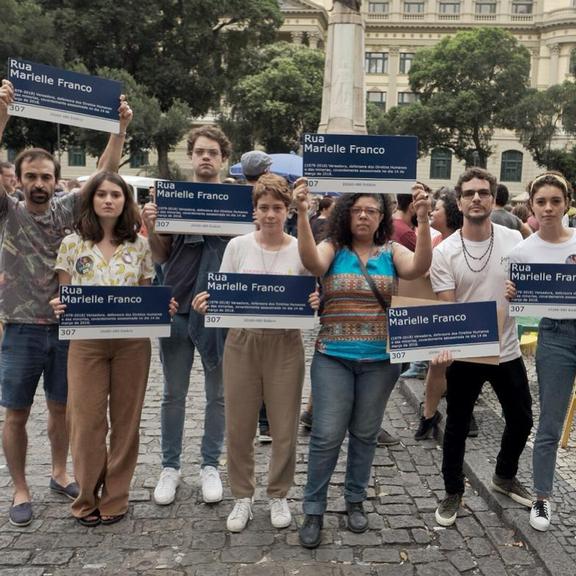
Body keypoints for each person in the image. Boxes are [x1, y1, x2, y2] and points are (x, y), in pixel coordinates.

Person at [0, 78, 132, 527]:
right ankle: (20, 488)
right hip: (20, 324)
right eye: (31, 176)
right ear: (18, 179)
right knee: (16, 412)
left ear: (56, 180)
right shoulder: (9, 210)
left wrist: (119, 129)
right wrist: (2, 115)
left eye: (46, 177)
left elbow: (104, 175)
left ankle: (59, 473)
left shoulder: (65, 209)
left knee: (63, 410)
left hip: (68, 327)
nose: (39, 184)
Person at [294, 182, 432, 549]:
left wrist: (421, 219)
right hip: (333, 358)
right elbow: (311, 262)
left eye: (372, 210)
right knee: (325, 436)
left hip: (379, 361)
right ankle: (313, 508)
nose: (364, 216)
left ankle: (355, 500)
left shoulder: (392, 251)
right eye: (357, 210)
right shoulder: (333, 248)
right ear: (345, 214)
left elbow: (419, 268)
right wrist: (303, 216)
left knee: (365, 435)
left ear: (382, 217)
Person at [193, 173, 317, 532]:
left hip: (285, 343)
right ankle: (242, 496)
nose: (270, 214)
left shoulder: (299, 247)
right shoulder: (238, 246)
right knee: (240, 423)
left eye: (277, 207)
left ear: (288, 211)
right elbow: (224, 295)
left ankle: (278, 493)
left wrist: (313, 300)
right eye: (263, 207)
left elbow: (311, 291)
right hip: (243, 341)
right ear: (254, 210)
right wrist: (207, 304)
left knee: (284, 425)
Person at [51, 171, 176, 526]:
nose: (109, 200)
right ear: (91, 199)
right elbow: (65, 293)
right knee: (87, 421)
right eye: (102, 194)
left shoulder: (138, 245)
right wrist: (59, 306)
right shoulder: (72, 243)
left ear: (126, 202)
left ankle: (116, 496)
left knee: (126, 421)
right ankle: (86, 495)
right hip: (85, 343)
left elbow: (146, 291)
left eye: (116, 195)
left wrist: (159, 307)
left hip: (131, 344)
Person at [431, 167, 533, 527]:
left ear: (493, 198)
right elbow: (447, 306)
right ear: (459, 201)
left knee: (522, 419)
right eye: (470, 193)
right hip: (467, 353)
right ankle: (453, 490)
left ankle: (504, 476)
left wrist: (524, 292)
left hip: (508, 352)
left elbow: (534, 276)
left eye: (483, 192)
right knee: (457, 425)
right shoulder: (444, 251)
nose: (477, 198)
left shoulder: (514, 240)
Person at [142, 126, 231, 507]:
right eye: (199, 152)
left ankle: (210, 464)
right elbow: (161, 256)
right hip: (176, 307)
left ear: (223, 158)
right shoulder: (171, 198)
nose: (206, 157)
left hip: (218, 308)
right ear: (191, 157)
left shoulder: (236, 200)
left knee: (219, 396)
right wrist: (152, 224)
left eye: (213, 152)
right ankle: (170, 467)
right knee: (173, 394)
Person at [506, 172, 575, 532]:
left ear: (566, 203)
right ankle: (542, 497)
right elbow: (522, 304)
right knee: (550, 420)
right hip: (556, 335)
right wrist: (513, 294)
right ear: (532, 205)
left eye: (555, 201)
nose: (548, 208)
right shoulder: (522, 251)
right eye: (541, 202)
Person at [415, 188, 470, 440]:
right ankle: (428, 414)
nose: (434, 211)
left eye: (437, 208)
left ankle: (466, 413)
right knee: (436, 365)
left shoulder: (466, 242)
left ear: (449, 212)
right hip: (437, 315)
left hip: (464, 316)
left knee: (463, 369)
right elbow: (420, 266)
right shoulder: (435, 241)